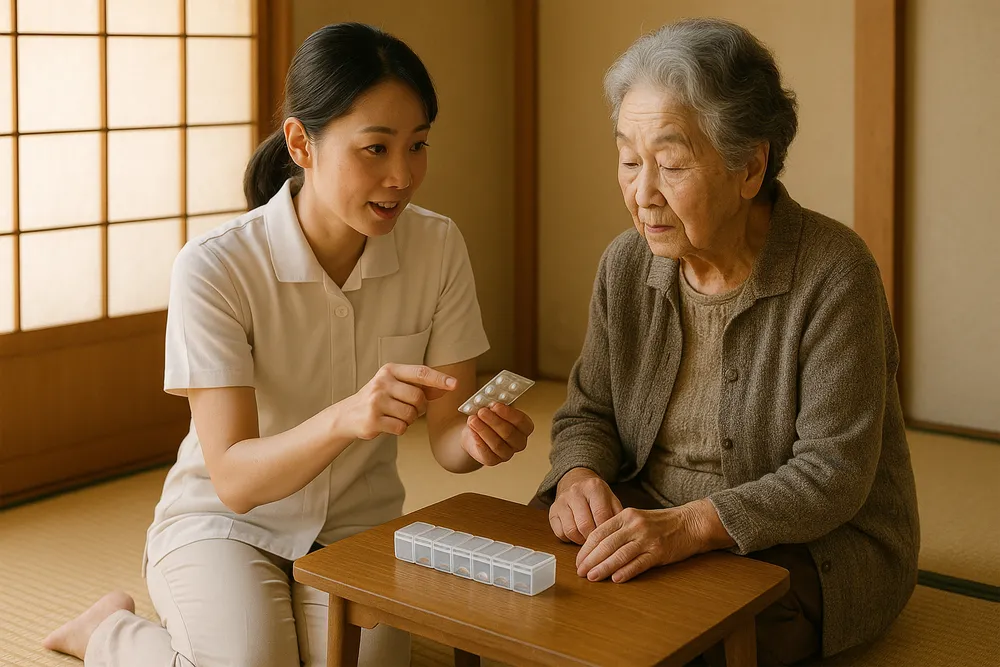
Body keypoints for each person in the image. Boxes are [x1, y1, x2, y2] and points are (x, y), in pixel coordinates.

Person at [43, 22, 534, 667]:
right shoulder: (216, 268)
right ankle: (109, 632)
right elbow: (234, 479)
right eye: (375, 149)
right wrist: (345, 417)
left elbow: (446, 437)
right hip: (222, 527)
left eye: (417, 146)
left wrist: (476, 440)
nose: (404, 175)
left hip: (357, 530)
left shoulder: (438, 247)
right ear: (302, 143)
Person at [533, 18, 919, 666]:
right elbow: (588, 412)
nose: (642, 193)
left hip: (805, 542)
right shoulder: (625, 266)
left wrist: (690, 527)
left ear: (750, 167)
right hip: (650, 515)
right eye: (629, 160)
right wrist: (577, 476)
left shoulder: (834, 273)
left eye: (672, 163)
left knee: (688, 641)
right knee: (526, 591)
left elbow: (833, 474)